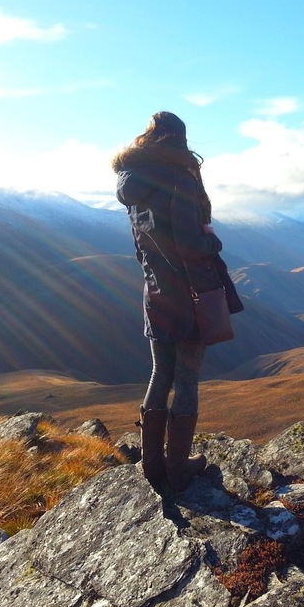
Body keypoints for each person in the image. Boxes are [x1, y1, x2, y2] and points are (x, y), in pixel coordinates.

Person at [112, 111, 230, 491]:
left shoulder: (132, 183)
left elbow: (145, 245)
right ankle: (178, 468)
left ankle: (153, 465)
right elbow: (188, 243)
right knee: (187, 380)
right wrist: (213, 239)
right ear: (179, 141)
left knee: (160, 373)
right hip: (190, 291)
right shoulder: (179, 178)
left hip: (155, 290)